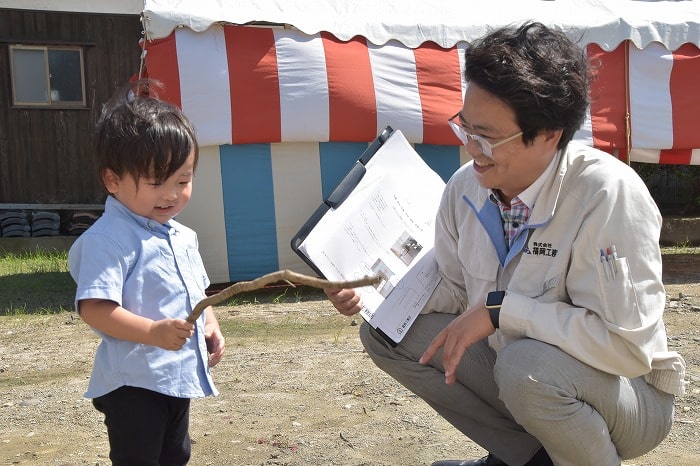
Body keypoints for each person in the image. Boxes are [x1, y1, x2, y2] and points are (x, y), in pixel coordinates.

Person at [325, 22, 685, 466]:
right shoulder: (465, 190)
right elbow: (456, 293)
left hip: (629, 398)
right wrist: (369, 290)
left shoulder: (606, 195)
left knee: (523, 366)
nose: (472, 149)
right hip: (528, 377)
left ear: (550, 135)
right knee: (386, 331)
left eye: (489, 137)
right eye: (466, 128)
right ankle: (527, 458)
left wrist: (505, 312)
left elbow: (627, 349)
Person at [68, 80, 225, 466]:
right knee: (139, 458)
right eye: (157, 182)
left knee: (176, 454)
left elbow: (197, 292)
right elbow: (95, 307)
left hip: (175, 375)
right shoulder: (110, 238)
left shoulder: (183, 236)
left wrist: (210, 324)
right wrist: (153, 332)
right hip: (133, 383)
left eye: (183, 181)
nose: (172, 194)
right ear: (113, 180)